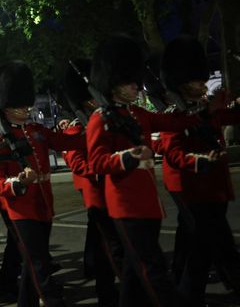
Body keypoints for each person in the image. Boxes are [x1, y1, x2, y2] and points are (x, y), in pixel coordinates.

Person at [86, 34, 201, 306]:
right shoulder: (99, 119)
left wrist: (199, 109)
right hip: (125, 205)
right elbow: (97, 162)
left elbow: (170, 122)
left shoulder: (137, 114)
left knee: (134, 272)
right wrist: (128, 157)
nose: (136, 87)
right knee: (152, 268)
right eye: (129, 82)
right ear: (113, 85)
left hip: (148, 203)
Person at [0, 61, 85, 307]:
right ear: (6, 108)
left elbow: (66, 143)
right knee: (38, 262)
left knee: (32, 262)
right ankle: (49, 299)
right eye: (20, 106)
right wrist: (17, 183)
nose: (26, 109)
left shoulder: (36, 130)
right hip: (20, 209)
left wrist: (86, 125)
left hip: (43, 203)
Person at [154, 35, 240, 305]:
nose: (203, 85)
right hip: (192, 188)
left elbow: (229, 116)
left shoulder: (206, 108)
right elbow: (173, 152)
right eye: (197, 81)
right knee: (213, 246)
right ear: (182, 84)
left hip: (213, 186)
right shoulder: (174, 115)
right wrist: (199, 160)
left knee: (202, 244)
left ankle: (188, 291)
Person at [62, 58, 121, 307]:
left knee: (102, 243)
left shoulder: (105, 119)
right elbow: (77, 162)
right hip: (95, 191)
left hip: (112, 191)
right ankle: (107, 293)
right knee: (107, 247)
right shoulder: (76, 128)